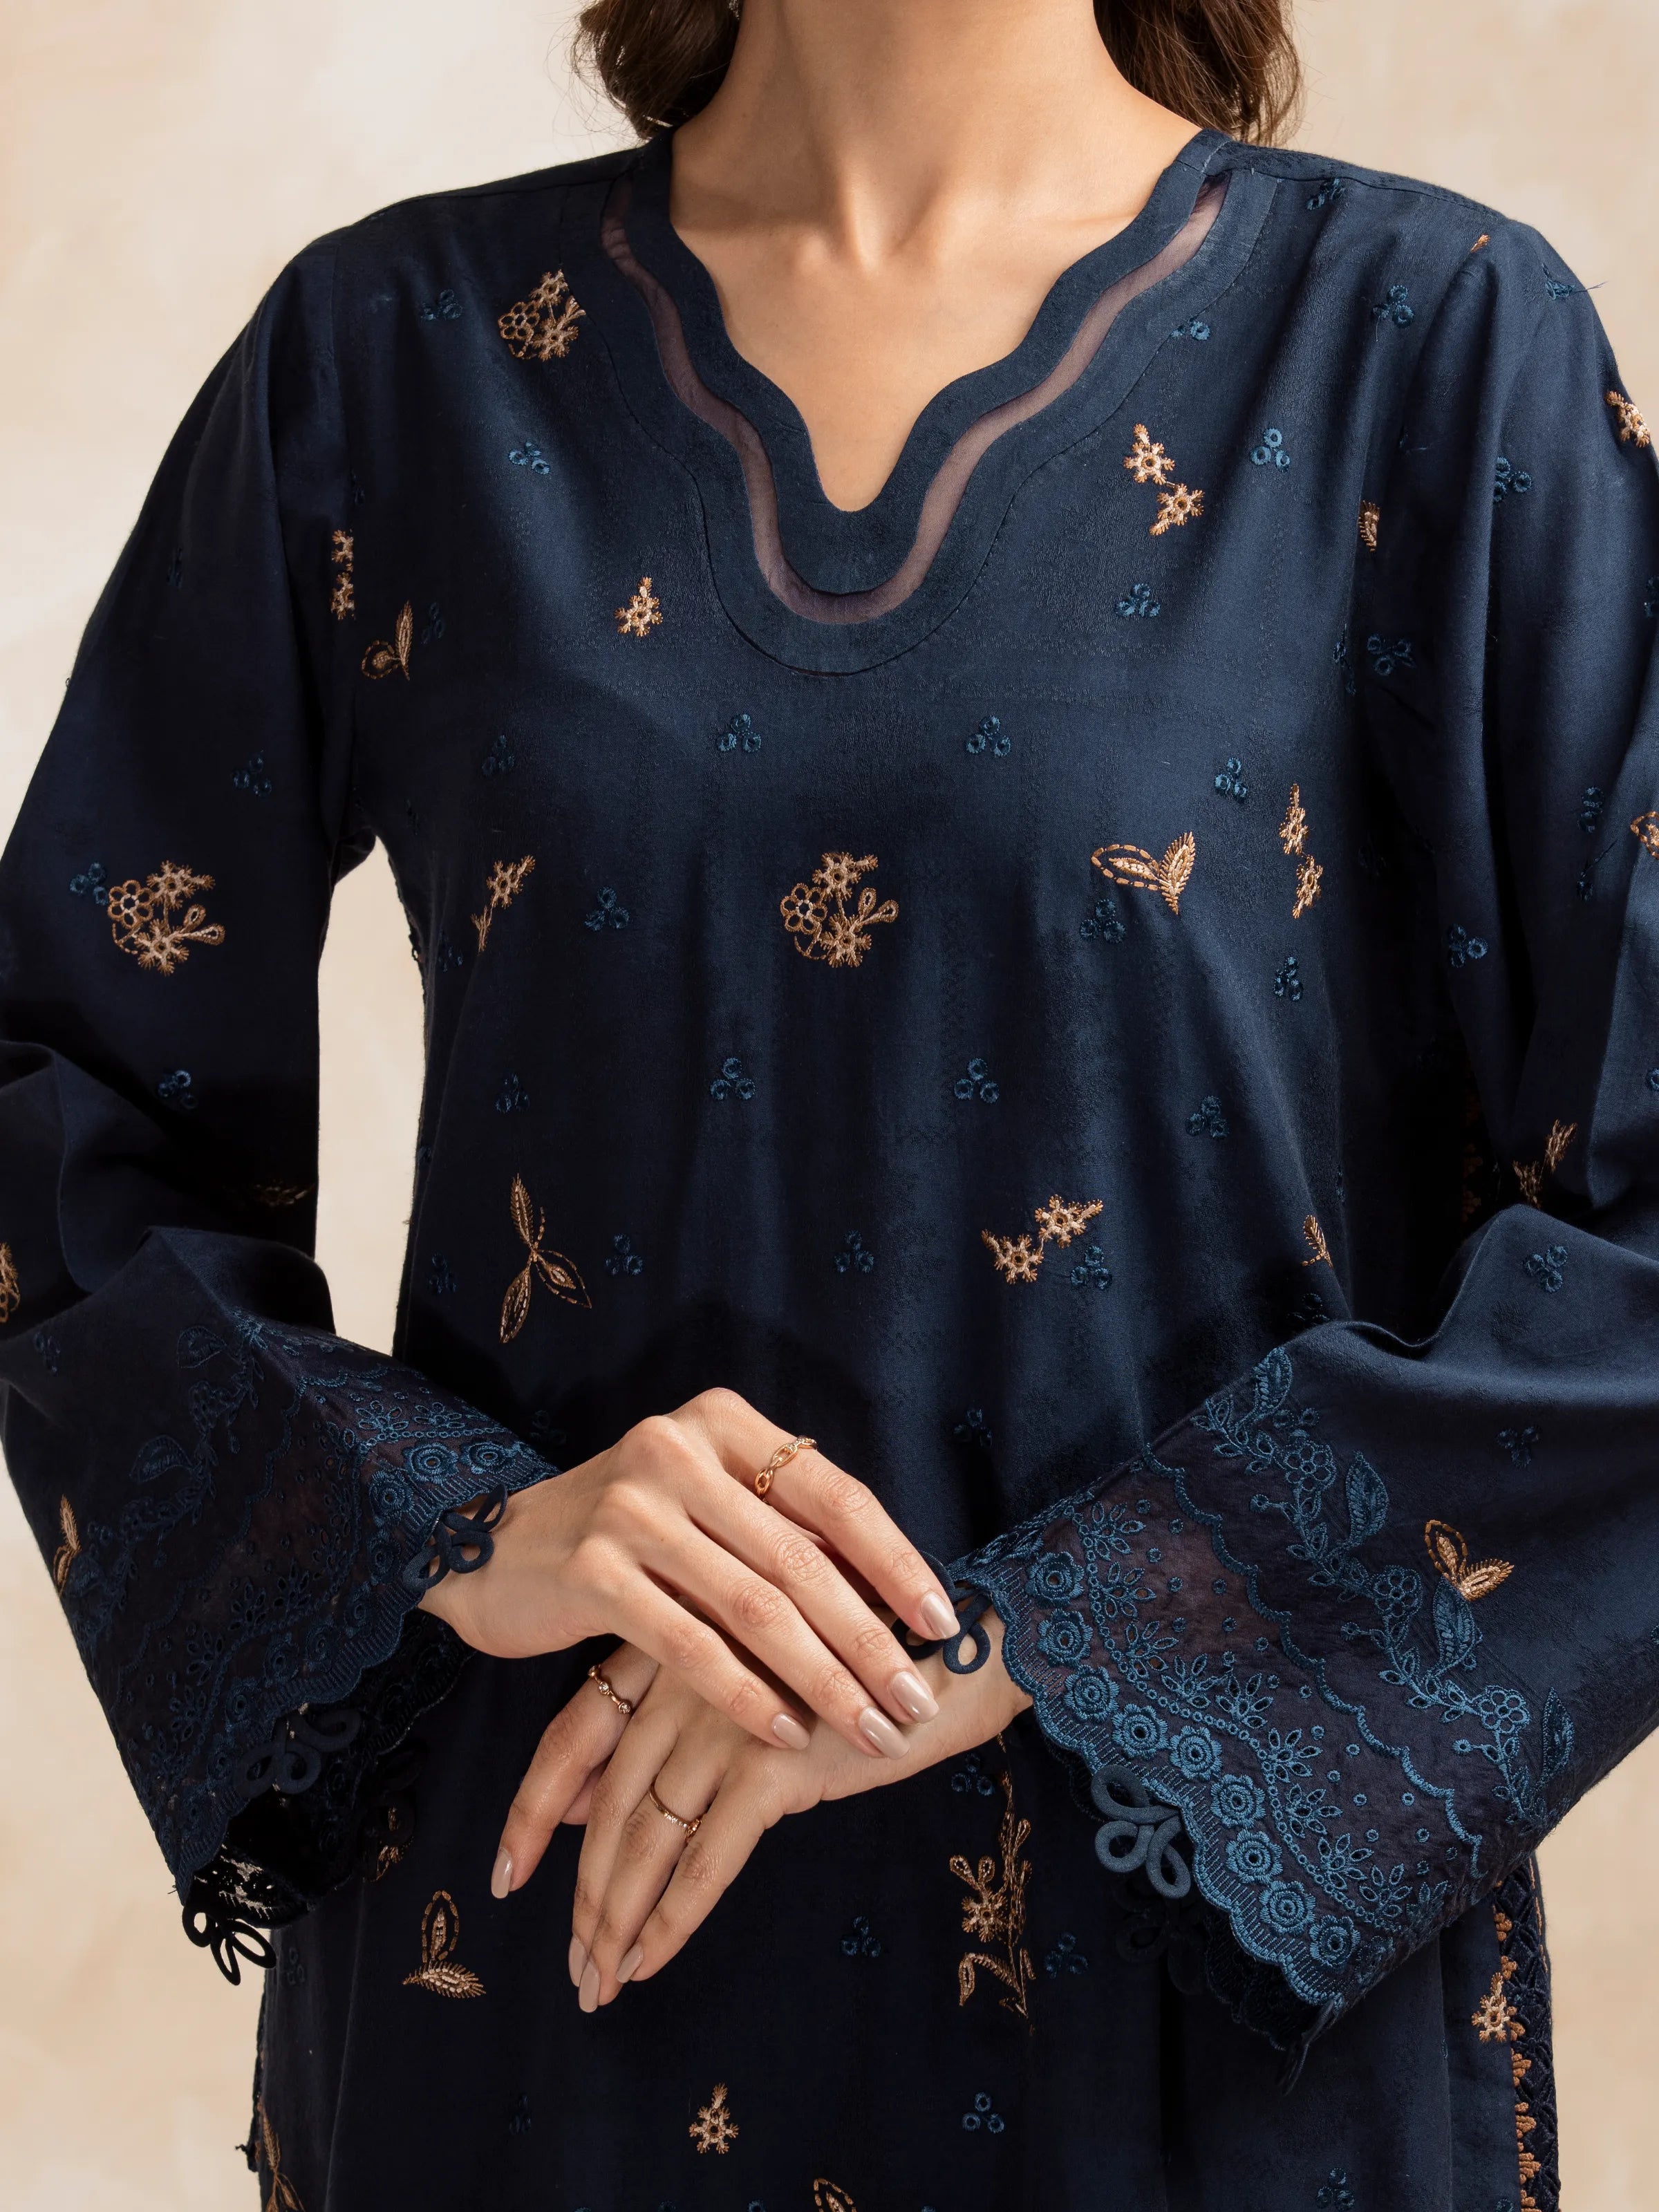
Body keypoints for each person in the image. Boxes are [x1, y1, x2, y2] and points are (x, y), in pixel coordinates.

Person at [3, 0, 1653, 2201]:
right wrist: (452, 1523)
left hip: (1188, 2006)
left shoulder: (1430, 348)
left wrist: (1073, 1629)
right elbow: (62, 1096)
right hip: (548, 1951)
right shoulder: (390, 363)